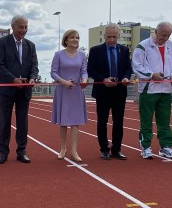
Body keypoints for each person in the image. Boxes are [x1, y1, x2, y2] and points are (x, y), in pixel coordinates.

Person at [133, 21, 172, 159]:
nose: (165, 38)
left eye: (168, 35)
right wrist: (151, 74)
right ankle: (146, 147)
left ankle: (165, 146)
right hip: (149, 89)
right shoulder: (143, 46)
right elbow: (136, 65)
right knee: (146, 120)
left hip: (166, 89)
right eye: (163, 35)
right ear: (155, 31)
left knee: (164, 120)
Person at [0, 15, 38, 164]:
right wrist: (14, 79)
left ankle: (21, 151)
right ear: (13, 27)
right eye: (21, 27)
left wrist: (32, 78)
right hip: (7, 90)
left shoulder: (31, 45)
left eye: (26, 27)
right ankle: (3, 153)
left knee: (22, 123)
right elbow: (0, 65)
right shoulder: (2, 42)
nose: (24, 30)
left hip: (24, 91)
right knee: (4, 122)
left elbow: (34, 66)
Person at [87, 23, 132, 160]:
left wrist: (125, 77)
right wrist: (103, 79)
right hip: (103, 91)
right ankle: (104, 149)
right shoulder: (95, 50)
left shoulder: (124, 50)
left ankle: (116, 149)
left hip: (119, 91)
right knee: (102, 121)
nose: (111, 40)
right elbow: (91, 70)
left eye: (114, 36)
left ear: (118, 35)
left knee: (118, 122)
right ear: (104, 36)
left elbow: (128, 68)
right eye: (109, 37)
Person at [50, 29, 89, 162]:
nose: (75, 40)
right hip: (63, 91)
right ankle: (62, 149)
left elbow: (84, 71)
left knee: (76, 122)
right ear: (66, 40)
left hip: (77, 91)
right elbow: (53, 73)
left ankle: (74, 150)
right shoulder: (58, 55)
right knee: (63, 122)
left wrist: (84, 80)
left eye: (77, 37)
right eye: (72, 37)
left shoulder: (82, 55)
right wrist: (64, 82)